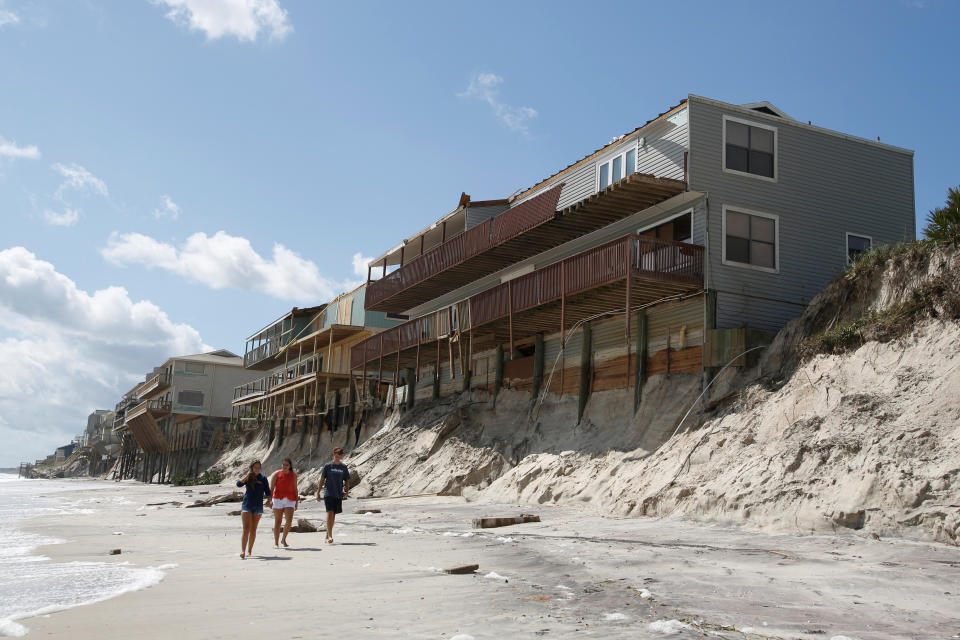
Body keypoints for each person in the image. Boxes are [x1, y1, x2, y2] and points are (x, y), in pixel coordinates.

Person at [236, 460, 272, 559]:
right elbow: (238, 484)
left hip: (258, 506)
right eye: (255, 467)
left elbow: (268, 492)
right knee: (246, 528)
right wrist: (246, 476)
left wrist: (269, 500)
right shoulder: (248, 477)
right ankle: (243, 551)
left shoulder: (263, 478)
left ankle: (249, 551)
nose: (257, 469)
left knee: (253, 529)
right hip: (247, 505)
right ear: (252, 468)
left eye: (258, 467)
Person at [316, 447, 350, 544]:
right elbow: (322, 479)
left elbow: (347, 480)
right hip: (328, 492)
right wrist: (318, 492)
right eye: (335, 455)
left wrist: (347, 491)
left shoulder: (343, 467)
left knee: (333, 515)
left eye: (338, 456)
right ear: (333, 455)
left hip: (338, 493)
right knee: (329, 513)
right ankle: (330, 536)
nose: (337, 457)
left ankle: (327, 535)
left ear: (341, 456)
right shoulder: (328, 466)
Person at [269, 458, 299, 549]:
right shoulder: (276, 474)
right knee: (278, 521)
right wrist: (270, 500)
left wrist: (297, 501)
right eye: (283, 464)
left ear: (290, 466)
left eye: (286, 465)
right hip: (278, 499)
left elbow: (295, 488)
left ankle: (284, 539)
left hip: (290, 499)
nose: (284, 466)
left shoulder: (293, 475)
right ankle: (276, 543)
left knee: (289, 522)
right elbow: (271, 488)